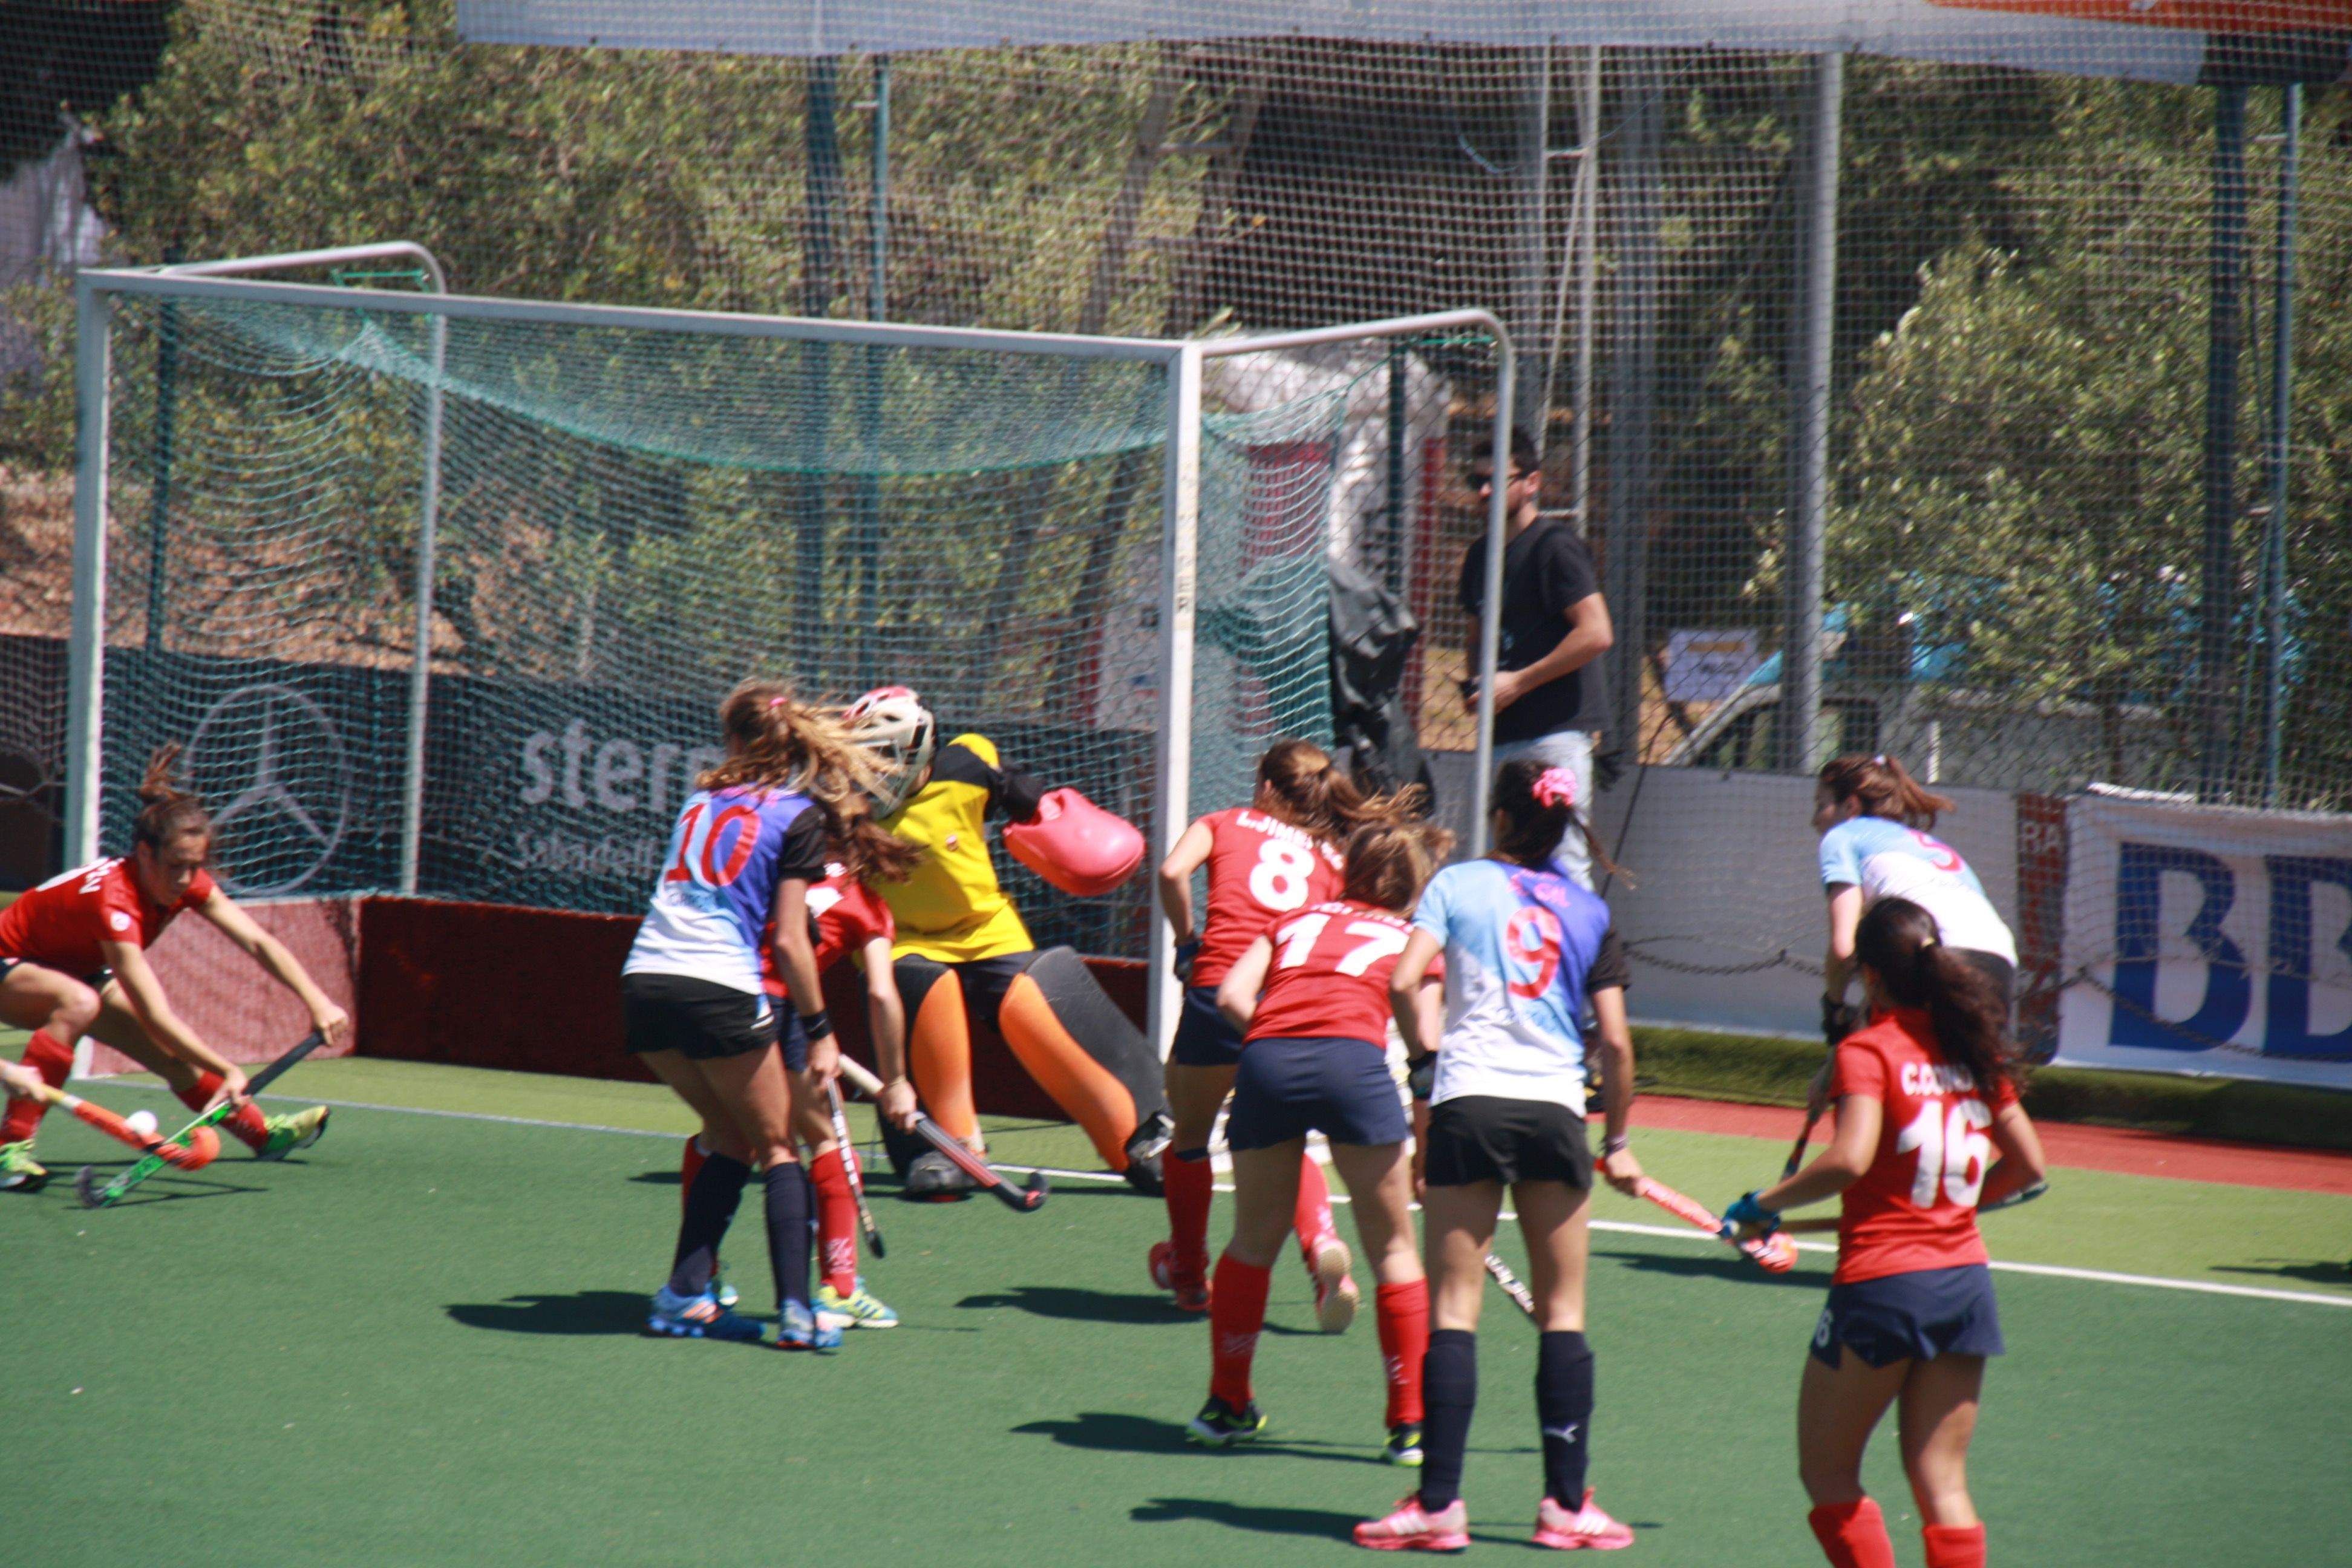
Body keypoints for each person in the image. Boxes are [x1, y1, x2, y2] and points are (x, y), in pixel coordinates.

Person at [1356, 759, 1642, 1553]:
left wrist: (1428, 1060)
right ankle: (1563, 1508)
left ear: (1504, 820)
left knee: (1453, 1309)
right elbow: (1615, 1044)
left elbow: (1405, 979)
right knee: (1565, 1314)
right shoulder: (1589, 910)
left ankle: (1440, 1507)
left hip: (1469, 1102)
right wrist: (1616, 1140)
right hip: (1555, 1110)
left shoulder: (1457, 883)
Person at [1720, 897, 2047, 1568]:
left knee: (1829, 1474)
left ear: (1871, 975)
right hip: (1963, 1286)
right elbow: (2029, 1166)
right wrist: (1951, 1211)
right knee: (1943, 1483)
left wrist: (1763, 1204)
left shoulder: (1869, 1051)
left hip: (1883, 1290)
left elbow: (1848, 1160)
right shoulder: (1973, 1048)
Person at [621, 681, 916, 1351]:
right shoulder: (797, 815)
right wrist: (819, 1031)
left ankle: (683, 1297)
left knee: (730, 1137)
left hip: (643, 984)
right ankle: (798, 1314)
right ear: (794, 743)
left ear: (731, 740)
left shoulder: (697, 801)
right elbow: (787, 941)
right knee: (779, 1146)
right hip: (724, 990)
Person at [1191, 816, 1451, 1469]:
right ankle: (1408, 1427)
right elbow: (1428, 1049)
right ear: (1415, 886)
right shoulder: (1419, 942)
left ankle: (1226, 1406)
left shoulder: (1293, 922)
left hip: (1266, 1061)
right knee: (1393, 1247)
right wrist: (1427, 1143)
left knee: (1253, 1241)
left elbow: (1230, 994)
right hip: (1354, 1070)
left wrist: (1283, 1036)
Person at [848, 686, 1169, 1198]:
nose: (871, 768)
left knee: (1037, 994)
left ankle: (1145, 1135)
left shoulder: (969, 764)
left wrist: (1054, 817)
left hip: (986, 928)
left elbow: (1033, 803)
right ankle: (945, 1147)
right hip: (903, 937)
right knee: (921, 988)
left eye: (883, 756)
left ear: (916, 749)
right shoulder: (841, 804)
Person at [0, 746, 342, 1192]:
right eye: (175, 866)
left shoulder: (184, 881)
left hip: (75, 966)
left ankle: (264, 1135)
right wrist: (228, 1067)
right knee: (78, 1003)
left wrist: (317, 1000)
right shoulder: (115, 902)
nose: (184, 879)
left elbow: (257, 941)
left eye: (194, 867)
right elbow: (155, 1010)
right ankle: (12, 1148)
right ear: (144, 854)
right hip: (11, 961)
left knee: (173, 1056)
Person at [1152, 739, 1370, 1325]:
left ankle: (1191, 1274)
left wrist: (1187, 943)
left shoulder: (1223, 822)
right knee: (1283, 1137)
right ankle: (1322, 1248)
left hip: (1216, 991)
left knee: (1190, 1139)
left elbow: (1172, 871)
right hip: (1286, 1008)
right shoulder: (1334, 856)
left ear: (1268, 789)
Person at [681, 858, 921, 1328]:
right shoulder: (865, 902)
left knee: (725, 1135)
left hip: (706, 998)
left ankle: (696, 1278)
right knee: (825, 1137)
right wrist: (896, 1082)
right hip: (775, 1007)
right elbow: (881, 994)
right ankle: (840, 1288)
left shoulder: (770, 870)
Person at [1457, 428, 1614, 888]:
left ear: (1531, 483)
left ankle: (1577, 960)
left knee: (1560, 862)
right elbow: (1475, 636)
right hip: (1502, 736)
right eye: (1476, 480)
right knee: (1502, 866)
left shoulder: (1554, 547)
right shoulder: (1479, 556)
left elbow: (1597, 632)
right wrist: (1478, 685)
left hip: (1555, 735)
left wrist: (1518, 682)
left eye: (1497, 480)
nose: (1484, 491)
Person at [1814, 754, 2017, 1054]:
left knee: (1888, 1075)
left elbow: (1844, 950)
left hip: (1940, 958)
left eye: (1821, 806)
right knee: (1976, 1086)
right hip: (2000, 962)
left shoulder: (1842, 835)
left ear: (1851, 806)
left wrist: (1833, 1006)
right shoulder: (1936, 847)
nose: (1814, 819)